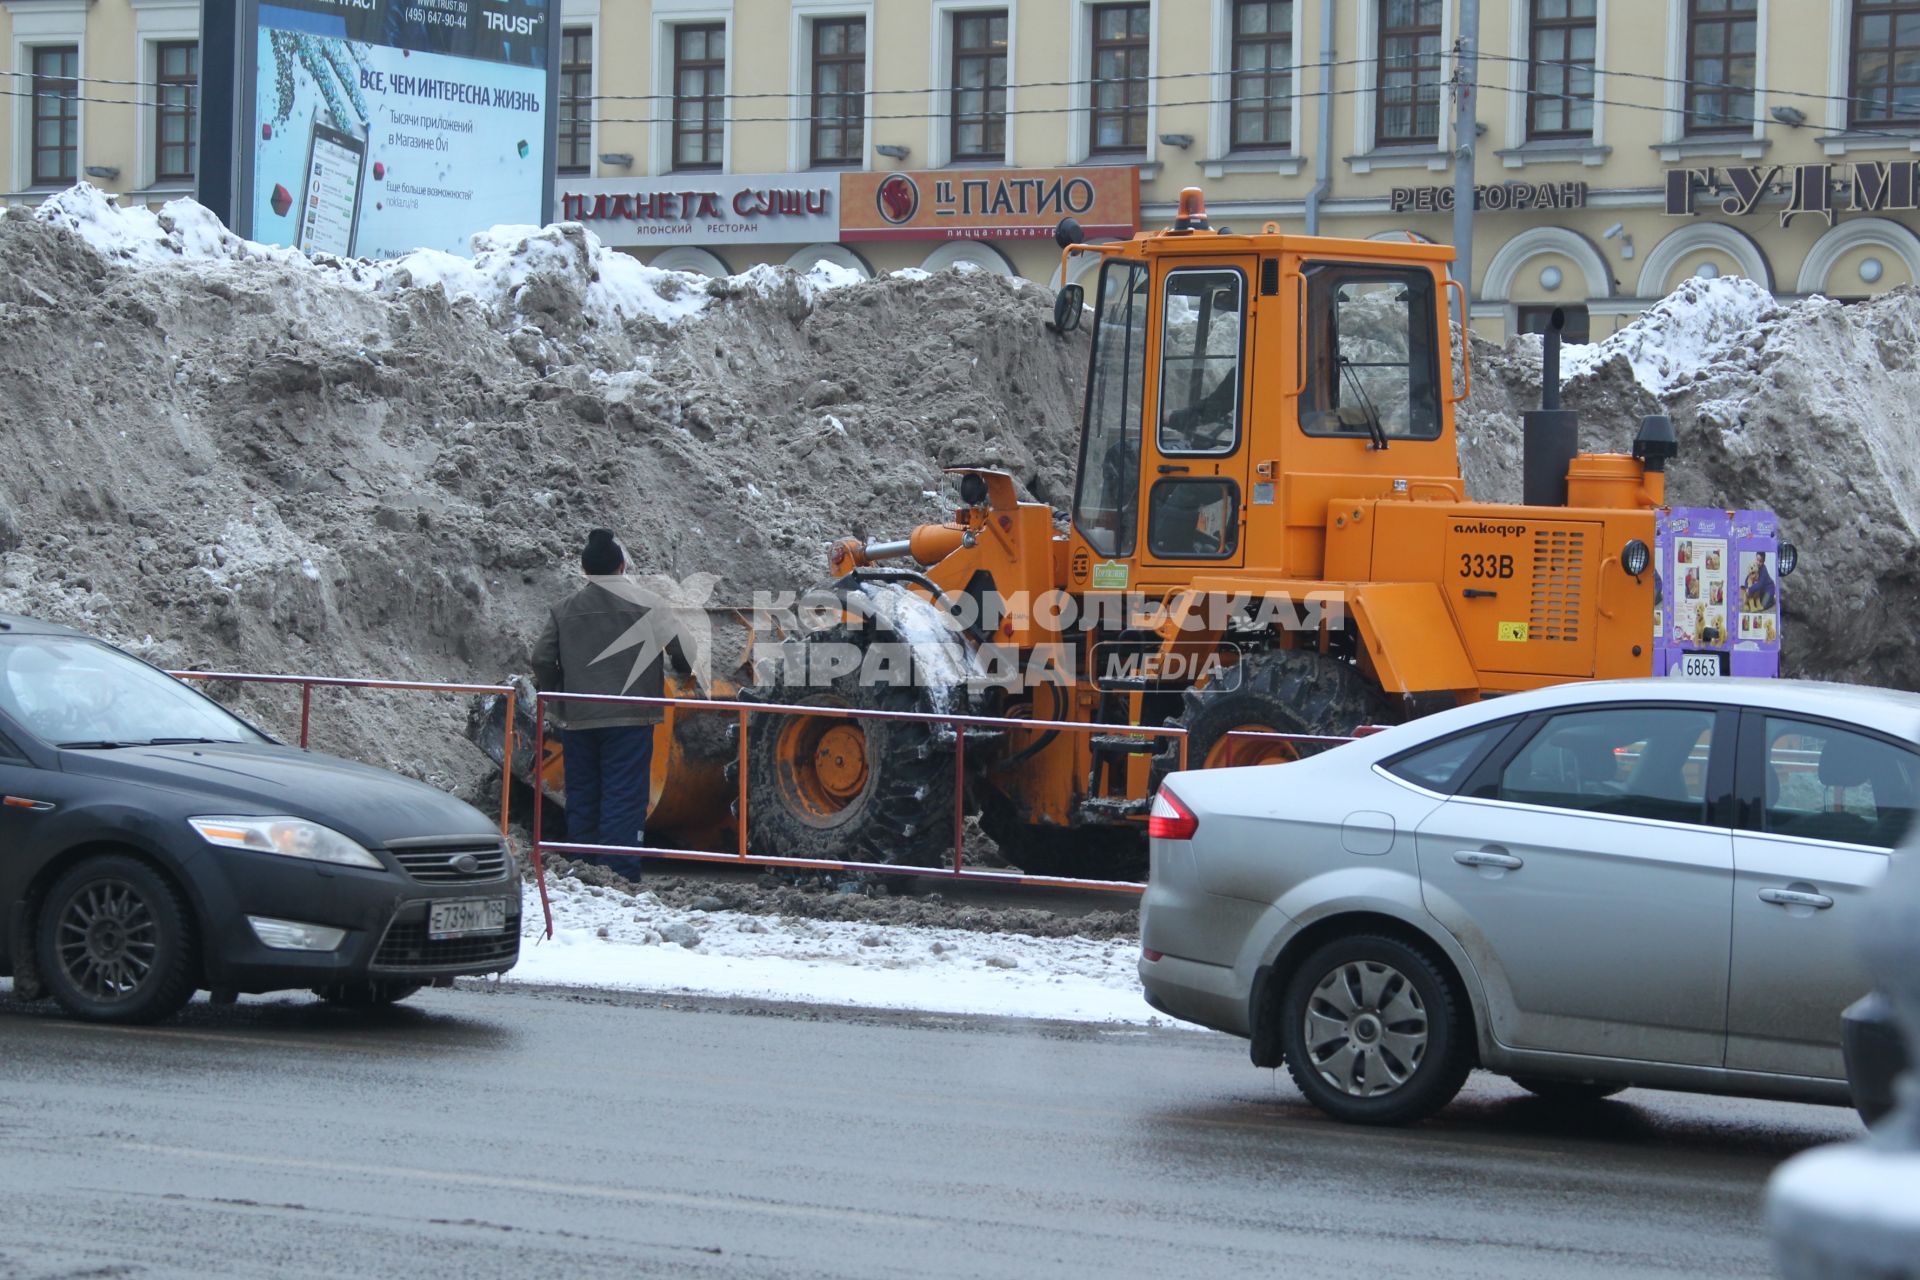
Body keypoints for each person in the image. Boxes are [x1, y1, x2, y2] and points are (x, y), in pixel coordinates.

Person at [530, 529, 688, 876]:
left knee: (583, 793)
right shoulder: (650, 604)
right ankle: (617, 871)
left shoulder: (563, 610)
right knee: (624, 794)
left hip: (580, 717)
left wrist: (559, 694)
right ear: (621, 565)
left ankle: (583, 867)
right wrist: (683, 671)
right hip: (631, 718)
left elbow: (541, 658)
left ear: (585, 570)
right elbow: (682, 651)